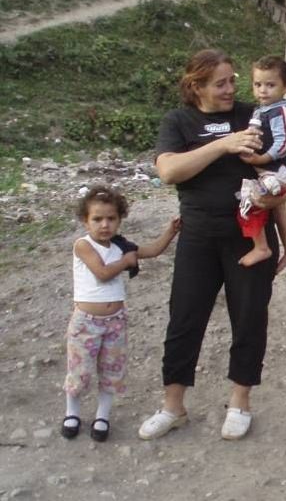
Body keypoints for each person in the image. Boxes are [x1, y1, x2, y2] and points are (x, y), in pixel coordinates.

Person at [138, 48, 286, 442]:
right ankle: (172, 406)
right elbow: (170, 171)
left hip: (248, 236)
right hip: (198, 237)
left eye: (232, 81)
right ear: (197, 86)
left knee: (248, 318)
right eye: (220, 83)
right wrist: (223, 145)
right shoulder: (179, 121)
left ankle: (240, 402)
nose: (231, 89)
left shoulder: (255, 113)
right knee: (184, 319)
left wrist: (279, 197)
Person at [61, 186, 179, 442]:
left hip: (115, 321)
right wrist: (126, 262)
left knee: (111, 369)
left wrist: (170, 232)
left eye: (111, 218)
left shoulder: (120, 245)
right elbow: (102, 273)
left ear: (119, 219)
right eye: (97, 219)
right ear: (85, 220)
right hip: (86, 322)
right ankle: (72, 412)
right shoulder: (83, 245)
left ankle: (102, 416)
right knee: (79, 369)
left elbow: (151, 251)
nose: (104, 225)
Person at [236, 55, 286, 272]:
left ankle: (261, 247)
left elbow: (285, 142)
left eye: (270, 85)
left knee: (250, 203)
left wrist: (260, 159)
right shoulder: (264, 109)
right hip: (273, 169)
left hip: (276, 171)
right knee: (280, 210)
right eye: (258, 84)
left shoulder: (279, 110)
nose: (263, 90)